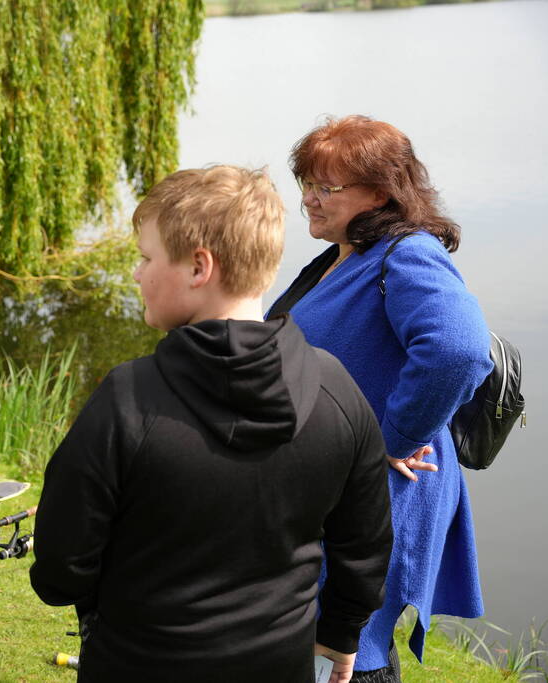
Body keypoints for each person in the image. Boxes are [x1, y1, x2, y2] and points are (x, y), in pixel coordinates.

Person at [30, 165, 394, 682]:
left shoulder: (128, 400)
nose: (136, 274)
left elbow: (60, 573)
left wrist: (95, 601)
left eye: (146, 258)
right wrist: (339, 633)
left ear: (199, 267)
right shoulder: (337, 392)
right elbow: (365, 547)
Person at [267, 114, 493, 682]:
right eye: (306, 185)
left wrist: (392, 437)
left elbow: (459, 349)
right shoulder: (346, 254)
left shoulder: (406, 253)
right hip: (337, 481)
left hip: (383, 485)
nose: (309, 201)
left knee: (347, 649)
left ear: (383, 191)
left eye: (327, 188)